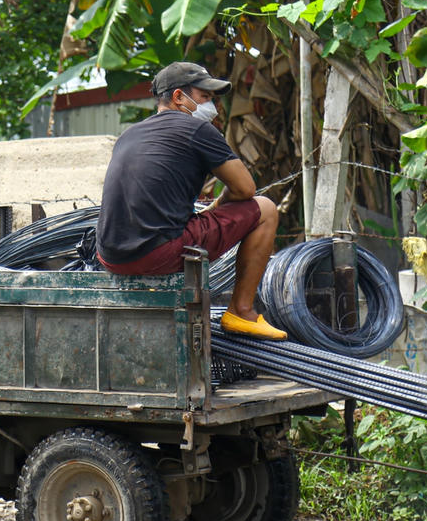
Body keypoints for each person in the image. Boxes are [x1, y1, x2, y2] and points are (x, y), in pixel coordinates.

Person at [96, 61, 287, 340]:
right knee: (266, 208)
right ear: (178, 97)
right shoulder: (197, 129)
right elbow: (245, 189)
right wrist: (219, 206)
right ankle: (241, 312)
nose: (213, 106)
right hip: (154, 254)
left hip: (110, 256)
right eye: (205, 97)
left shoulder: (128, 134)